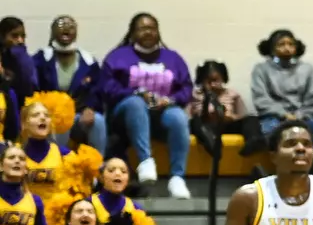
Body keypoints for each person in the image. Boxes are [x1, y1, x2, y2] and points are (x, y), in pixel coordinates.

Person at [103, 12, 193, 198]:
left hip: (161, 113)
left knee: (178, 116)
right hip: (126, 115)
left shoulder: (172, 58)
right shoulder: (118, 56)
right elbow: (106, 87)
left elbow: (186, 88)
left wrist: (170, 100)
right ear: (133, 33)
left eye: (152, 28)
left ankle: (177, 178)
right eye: (142, 28)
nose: (148, 32)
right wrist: (136, 93)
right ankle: (145, 162)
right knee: (136, 103)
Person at [32, 15, 104, 151]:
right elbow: (33, 87)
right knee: (60, 119)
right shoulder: (41, 58)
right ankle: (57, 164)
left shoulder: (88, 61)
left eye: (71, 27)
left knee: (98, 121)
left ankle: (98, 166)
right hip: (49, 115)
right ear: (53, 32)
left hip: (78, 116)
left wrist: (90, 107)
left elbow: (97, 90)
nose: (66, 29)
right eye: (61, 26)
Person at [250, 29, 313, 140]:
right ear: (272, 48)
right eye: (281, 44)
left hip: (304, 117)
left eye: (291, 44)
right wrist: (284, 114)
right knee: (273, 136)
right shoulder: (261, 69)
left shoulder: (307, 69)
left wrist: (298, 116)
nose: (287, 48)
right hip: (273, 118)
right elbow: (261, 99)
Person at [188, 60, 262, 163]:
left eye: (216, 80)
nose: (213, 84)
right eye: (209, 81)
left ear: (223, 79)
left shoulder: (232, 94)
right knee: (195, 122)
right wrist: (206, 101)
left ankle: (253, 141)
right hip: (206, 127)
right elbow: (189, 117)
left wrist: (230, 117)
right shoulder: (195, 95)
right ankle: (211, 144)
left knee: (252, 119)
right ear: (202, 80)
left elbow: (242, 115)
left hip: (226, 124)